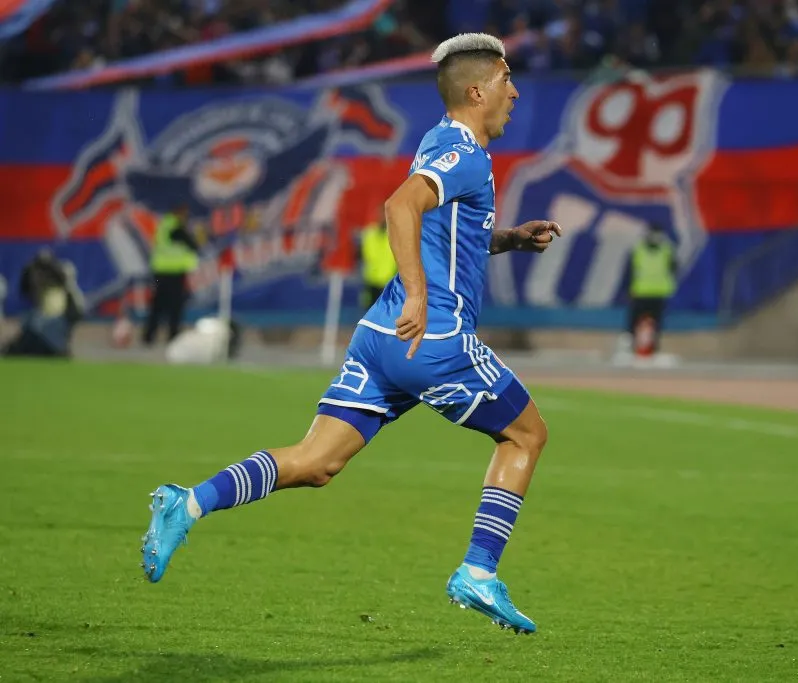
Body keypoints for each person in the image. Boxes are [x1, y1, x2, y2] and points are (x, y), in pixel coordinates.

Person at [140, 33, 561, 636]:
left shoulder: (442, 142)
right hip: (434, 336)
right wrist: (418, 291)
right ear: (477, 90)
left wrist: (509, 238)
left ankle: (188, 502)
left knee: (315, 462)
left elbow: (448, 232)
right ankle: (478, 570)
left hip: (379, 337)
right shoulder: (463, 152)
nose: (514, 91)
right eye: (504, 80)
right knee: (526, 436)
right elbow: (398, 208)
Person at [2, 249, 84, 358]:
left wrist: (49, 265)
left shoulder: (65, 291)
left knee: (35, 327)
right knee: (30, 324)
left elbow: (76, 313)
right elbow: (25, 288)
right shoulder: (41, 294)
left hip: (52, 330)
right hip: (42, 328)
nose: (39, 277)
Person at [142, 204, 200, 346]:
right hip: (173, 272)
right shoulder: (176, 227)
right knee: (175, 306)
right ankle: (172, 336)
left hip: (161, 271)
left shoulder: (165, 225)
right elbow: (193, 245)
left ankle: (149, 336)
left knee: (157, 305)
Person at [625, 222, 677, 354]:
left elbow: (674, 269)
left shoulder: (667, 250)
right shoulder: (639, 249)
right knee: (634, 322)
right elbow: (630, 271)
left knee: (656, 324)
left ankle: (653, 349)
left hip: (658, 293)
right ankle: (631, 346)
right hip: (641, 292)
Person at [357, 205, 398, 312]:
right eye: (382, 214)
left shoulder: (396, 234)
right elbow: (363, 255)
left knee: (388, 316)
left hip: (389, 283)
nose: (383, 217)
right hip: (371, 282)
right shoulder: (369, 233)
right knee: (369, 315)